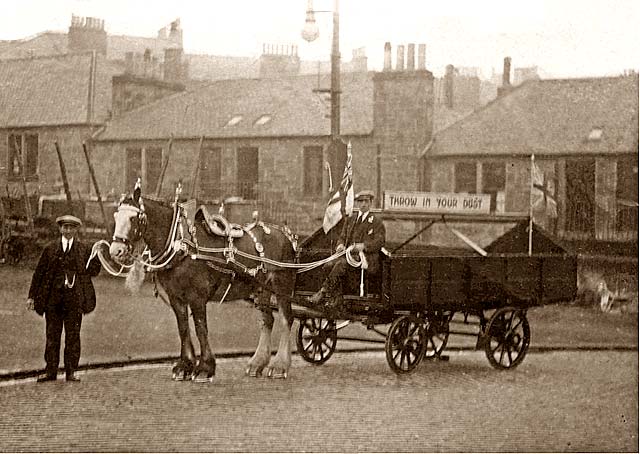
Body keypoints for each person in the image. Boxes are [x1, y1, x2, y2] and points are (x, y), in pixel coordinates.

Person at [26, 214, 101, 383]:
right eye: (65, 227)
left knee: (73, 337)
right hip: (53, 301)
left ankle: (71, 372)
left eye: (71, 228)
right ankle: (50, 372)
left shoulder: (84, 250)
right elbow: (39, 274)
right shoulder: (50, 249)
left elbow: (94, 272)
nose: (68, 230)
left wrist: (97, 256)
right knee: (52, 336)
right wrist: (32, 296)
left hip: (75, 302)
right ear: (60, 229)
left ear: (76, 230)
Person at [309, 190, 386, 304]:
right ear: (357, 204)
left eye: (366, 201)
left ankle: (323, 292)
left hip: (366, 259)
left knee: (341, 265)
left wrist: (364, 246)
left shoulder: (376, 222)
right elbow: (342, 237)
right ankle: (336, 298)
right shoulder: (351, 220)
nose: (363, 204)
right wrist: (340, 245)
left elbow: (380, 242)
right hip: (349, 256)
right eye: (361, 201)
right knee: (328, 265)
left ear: (370, 203)